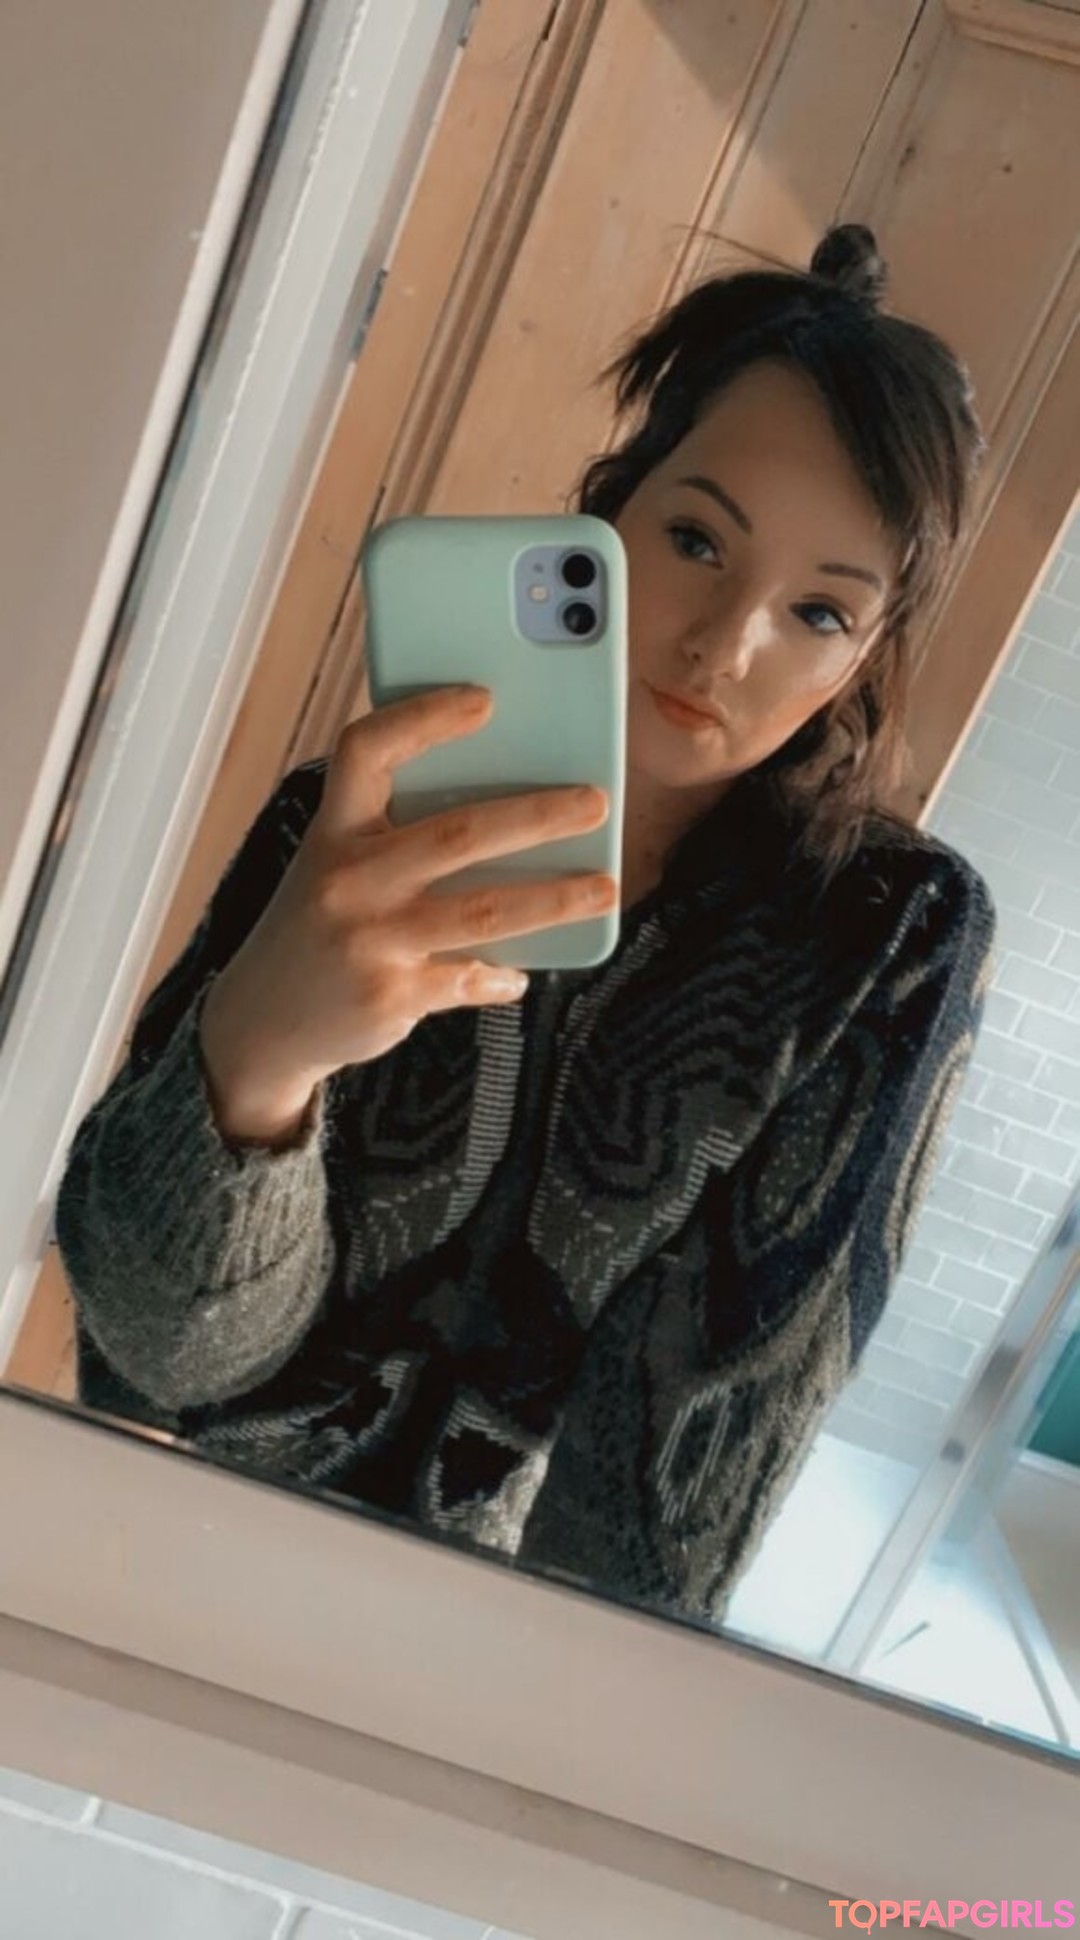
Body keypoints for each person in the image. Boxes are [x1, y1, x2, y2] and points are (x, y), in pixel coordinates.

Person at [55, 225, 997, 1622]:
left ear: (863, 662)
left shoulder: (883, 941)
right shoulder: (356, 829)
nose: (726, 645)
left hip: (486, 1669)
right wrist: (255, 1069)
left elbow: (665, 1537)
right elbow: (154, 1368)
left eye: (818, 611)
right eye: (696, 540)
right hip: (174, 1565)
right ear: (605, 519)